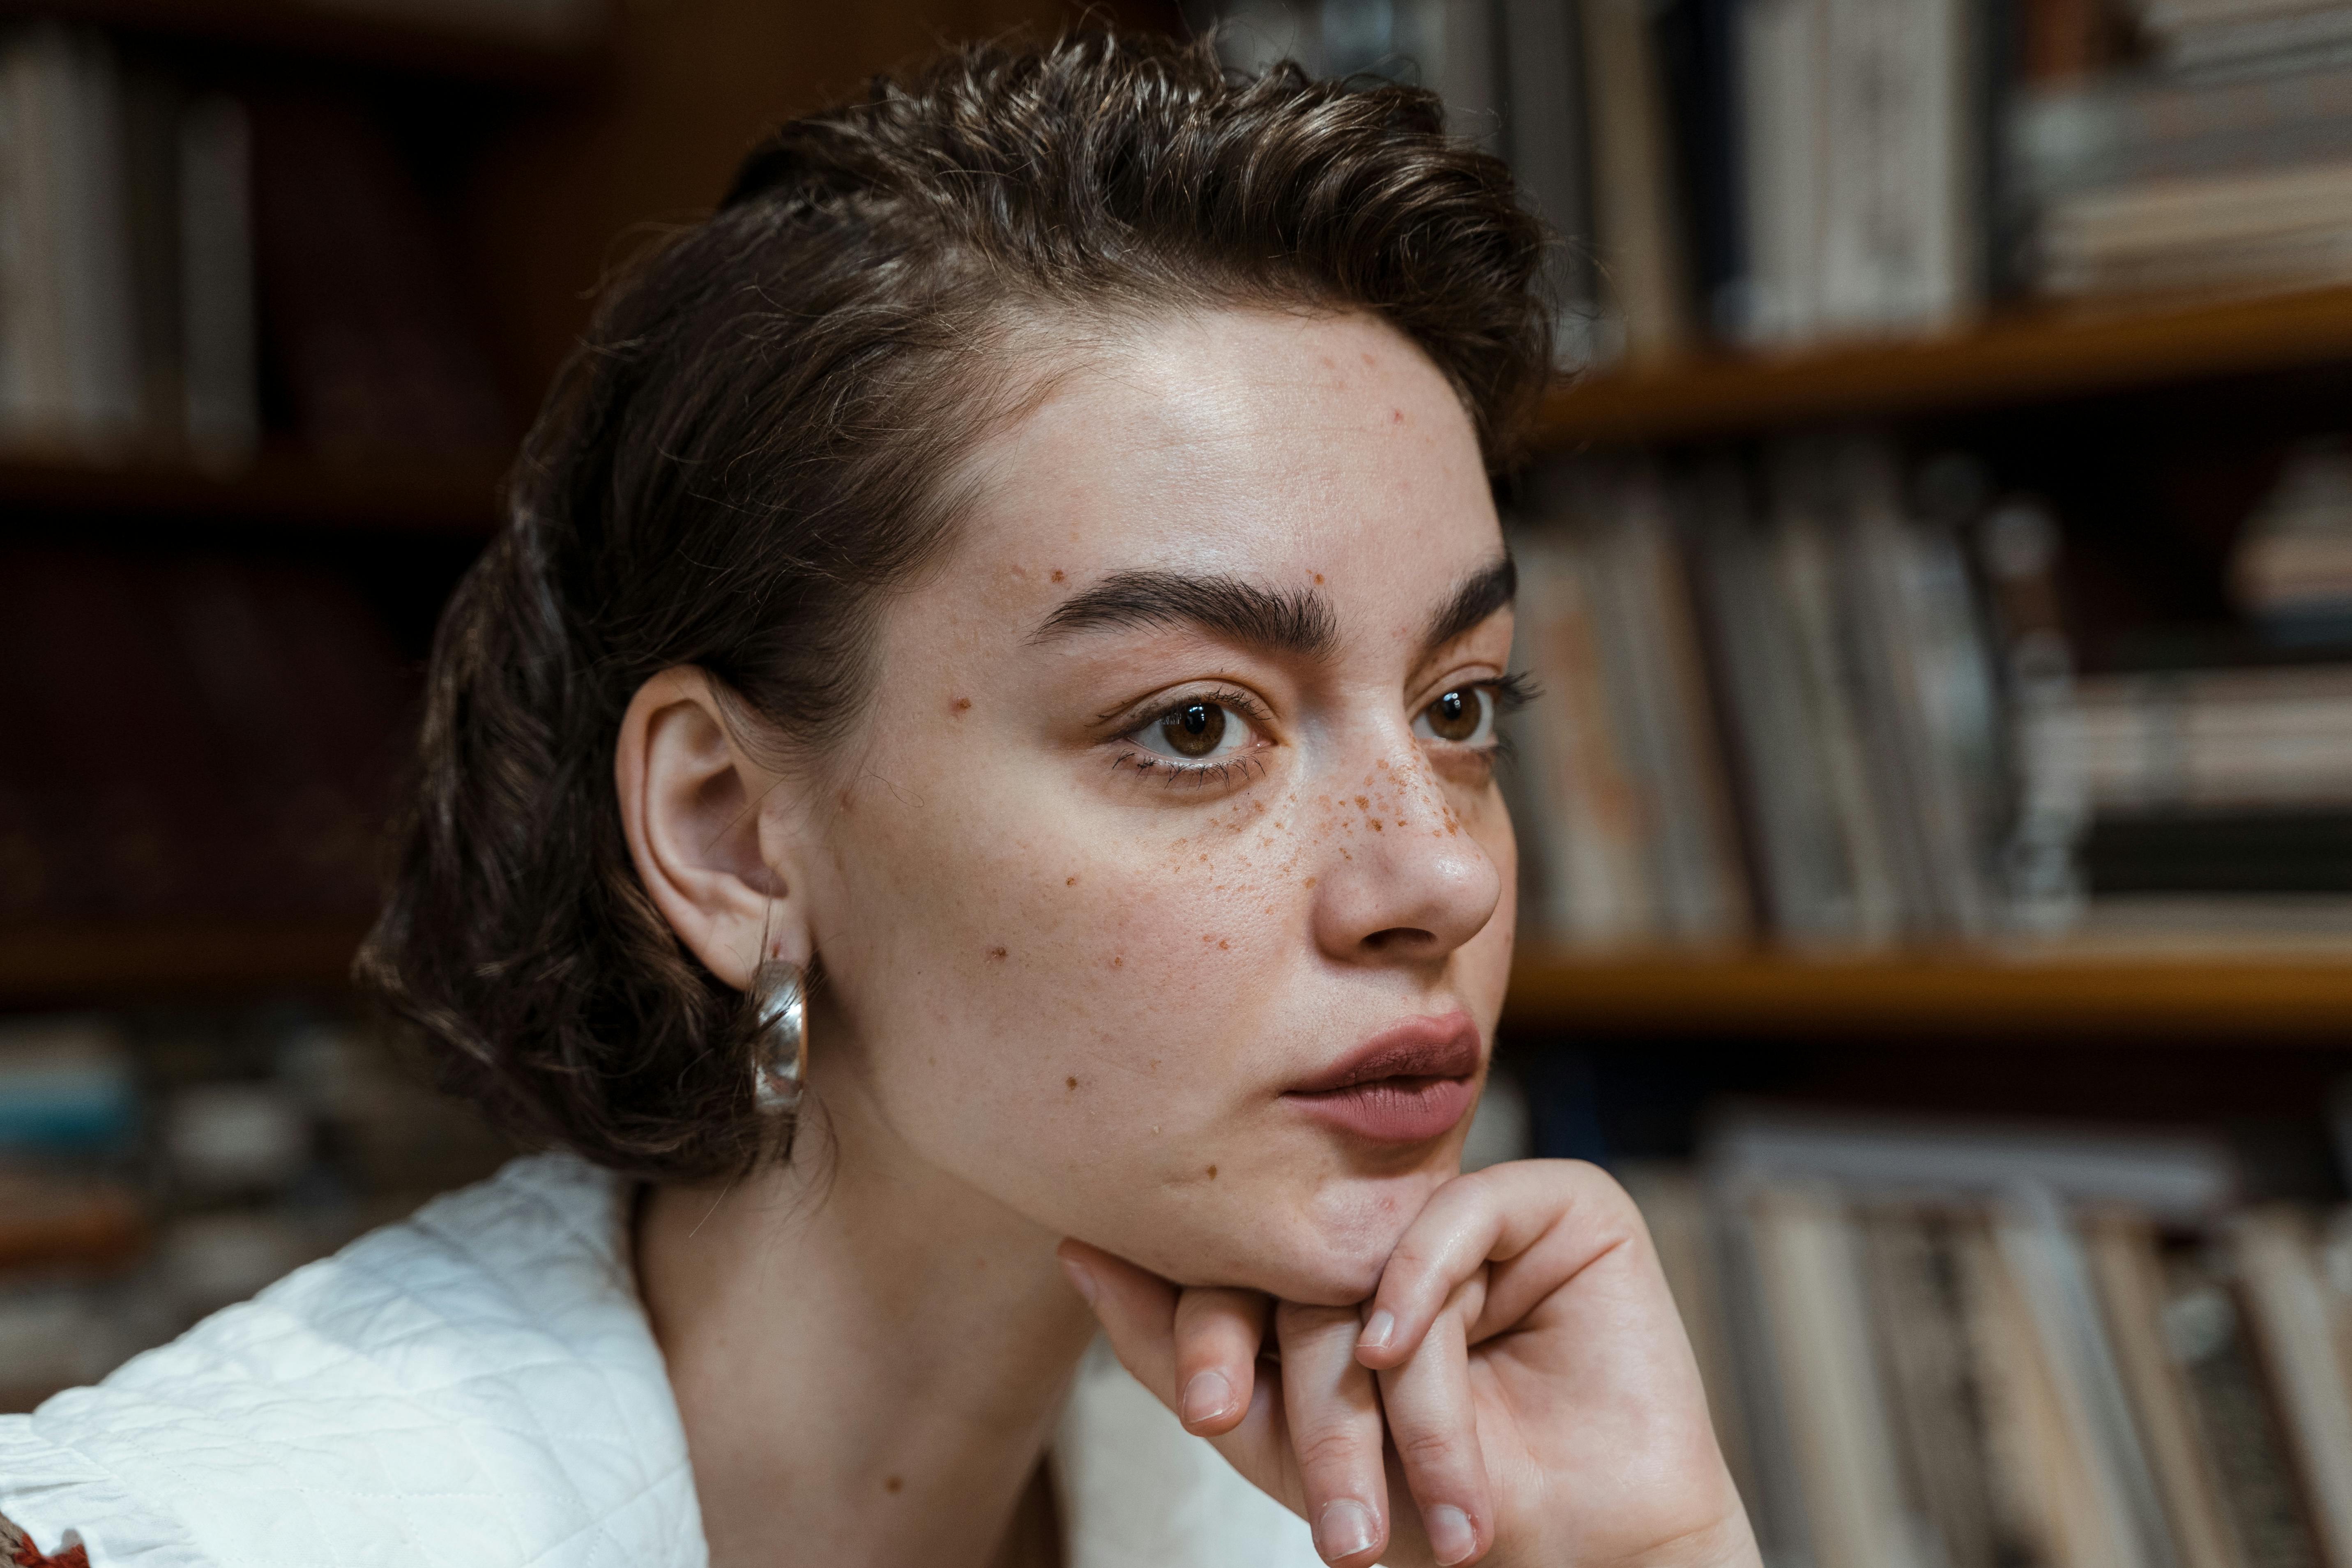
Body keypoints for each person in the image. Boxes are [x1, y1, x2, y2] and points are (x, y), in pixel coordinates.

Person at [0, 30, 1759, 1568]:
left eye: (1459, 705)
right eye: (1195, 727)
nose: (1436, 871)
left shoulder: (1356, 1498)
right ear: (729, 833)